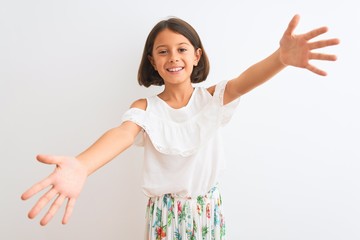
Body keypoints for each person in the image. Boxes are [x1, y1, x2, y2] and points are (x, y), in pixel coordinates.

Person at [21, 15, 339, 239]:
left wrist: (280, 58)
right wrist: (82, 165)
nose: (173, 57)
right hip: (166, 218)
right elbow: (122, 134)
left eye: (182, 49)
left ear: (196, 56)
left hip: (208, 212)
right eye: (163, 51)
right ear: (153, 61)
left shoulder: (213, 99)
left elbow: (245, 81)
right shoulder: (146, 109)